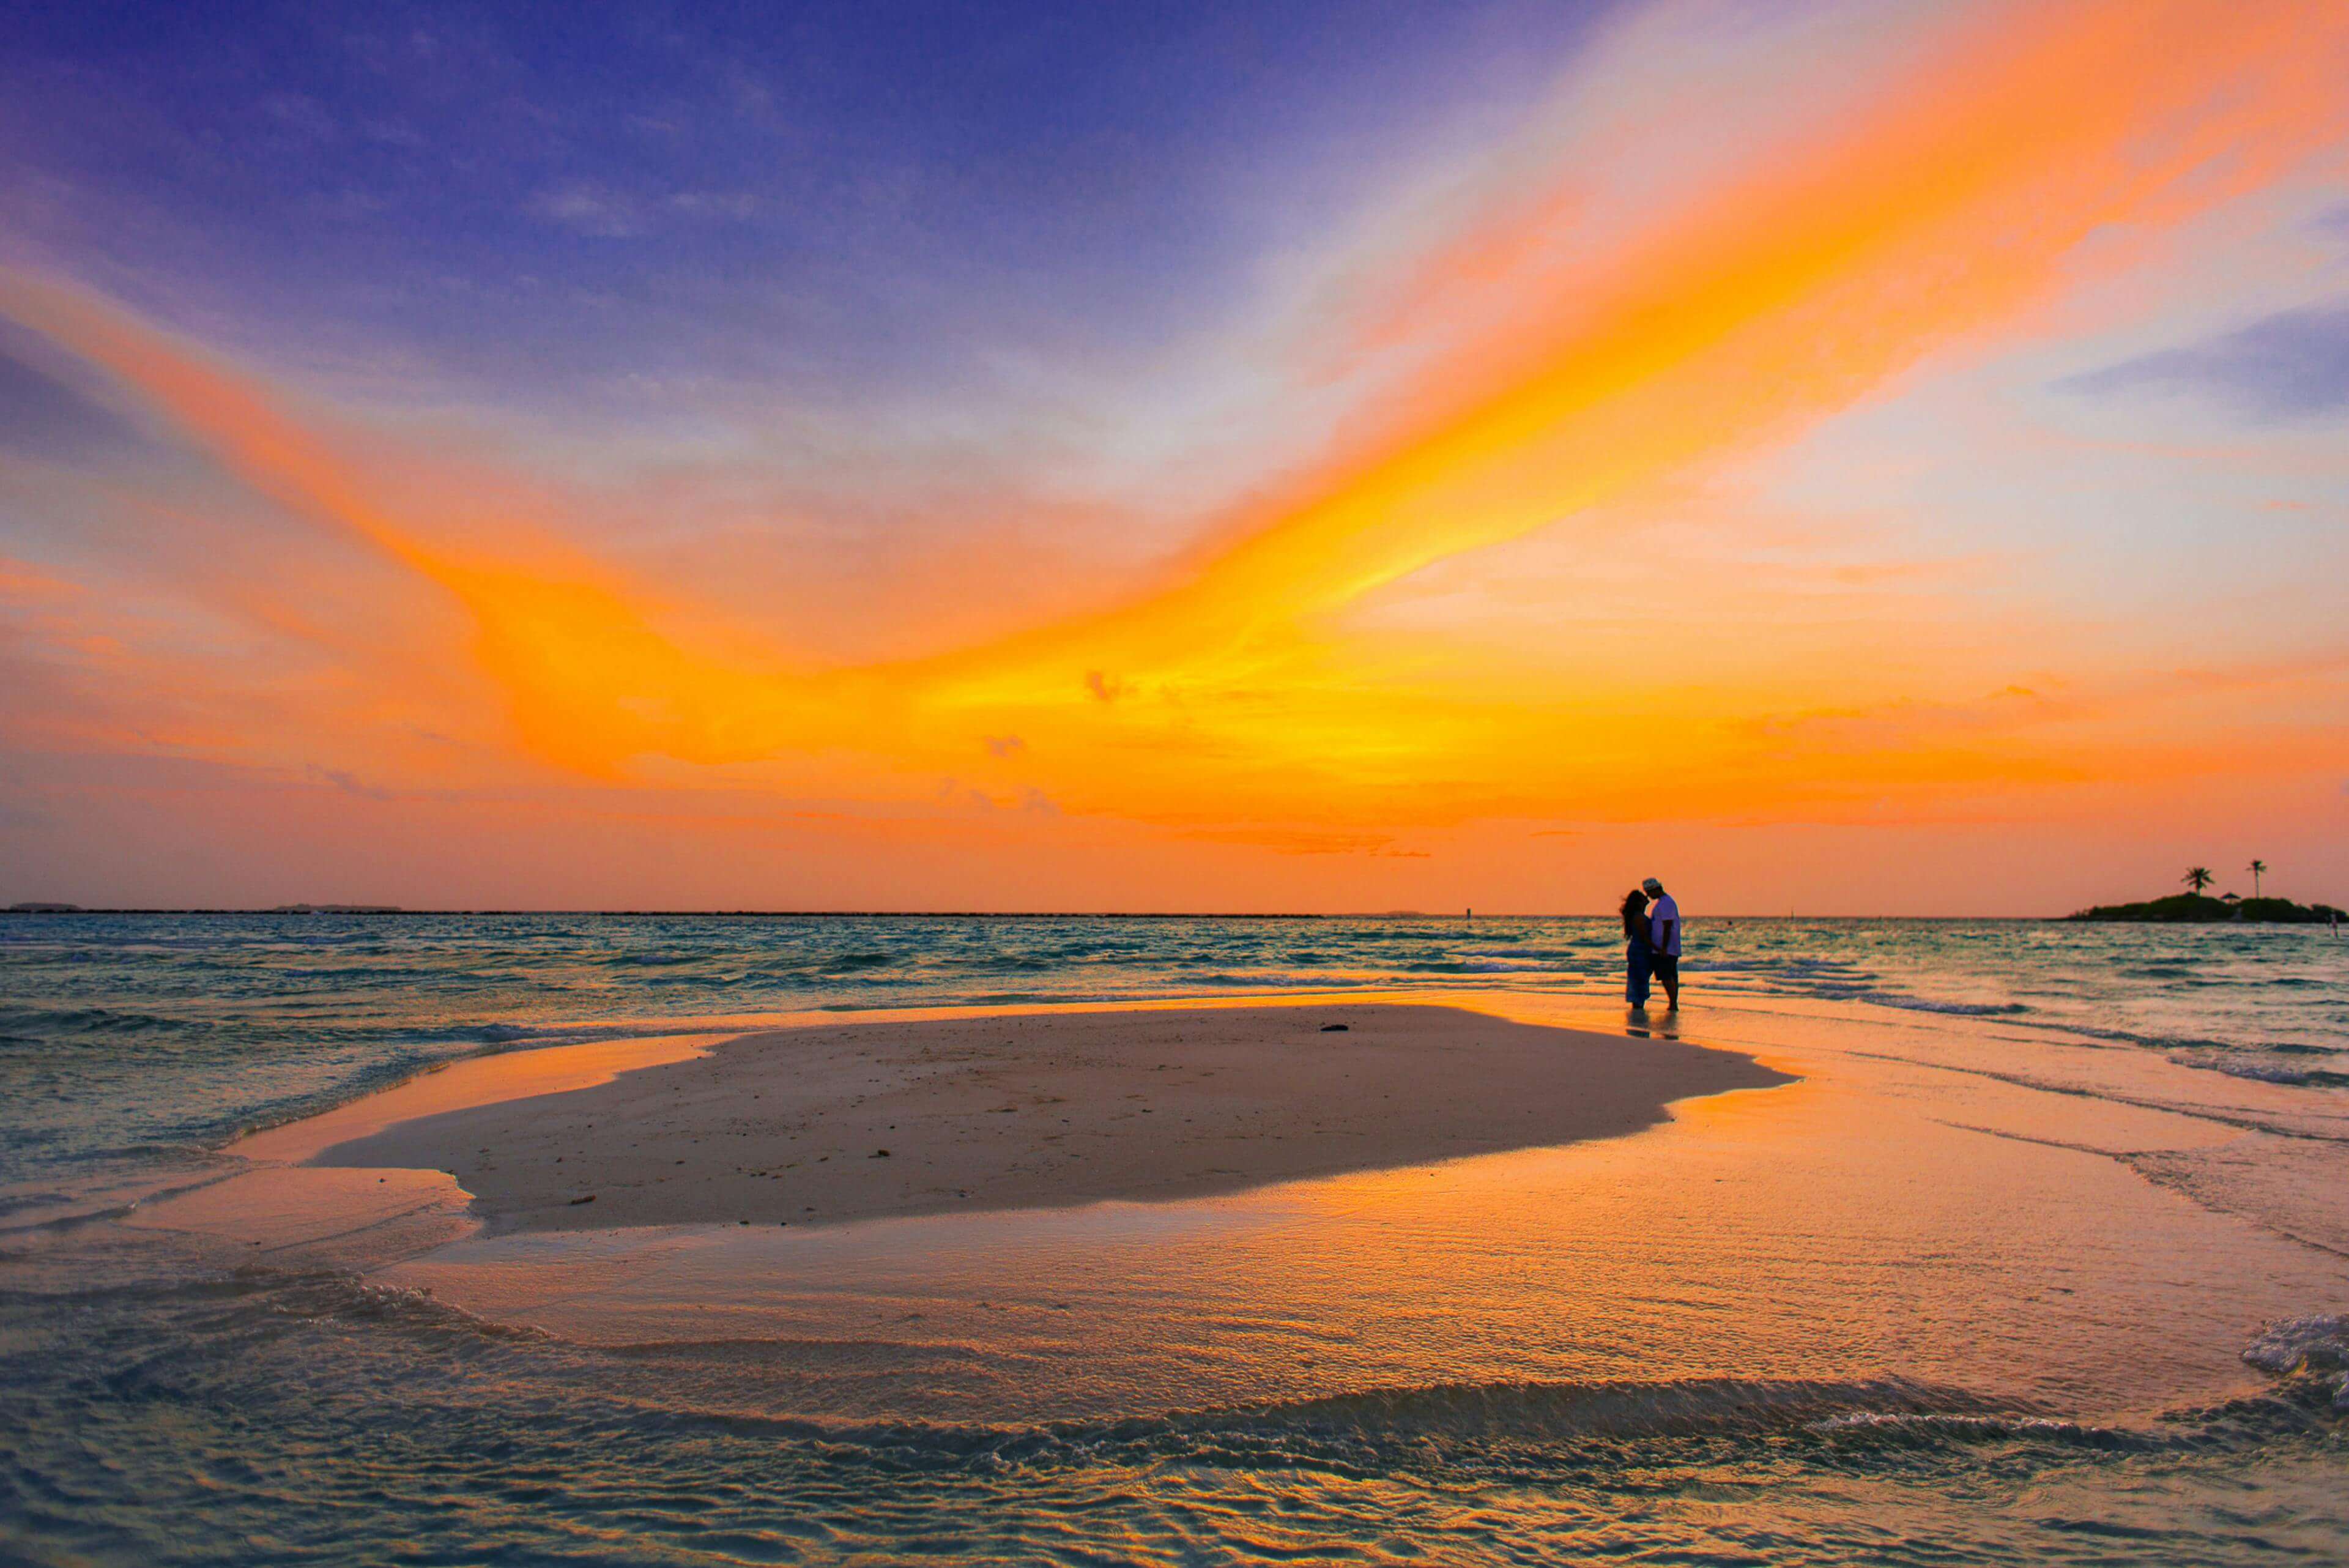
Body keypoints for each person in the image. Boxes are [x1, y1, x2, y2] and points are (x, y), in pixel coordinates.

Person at [1642, 877, 1681, 1009]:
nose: (1648, 895)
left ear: (1655, 889)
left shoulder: (1666, 903)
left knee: (1666, 975)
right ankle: (1673, 1002)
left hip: (1666, 948)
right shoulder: (1662, 903)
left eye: (1649, 892)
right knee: (1669, 975)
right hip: (1665, 947)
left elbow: (1668, 925)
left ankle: (1673, 1003)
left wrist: (1664, 947)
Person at [1620, 888, 1652, 1008]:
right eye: (1643, 897)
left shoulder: (1638, 916)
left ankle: (1638, 1004)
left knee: (1639, 977)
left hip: (1639, 951)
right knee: (1639, 978)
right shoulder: (1639, 917)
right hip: (1640, 951)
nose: (1646, 898)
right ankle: (1638, 1005)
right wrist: (1657, 948)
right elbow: (1644, 937)